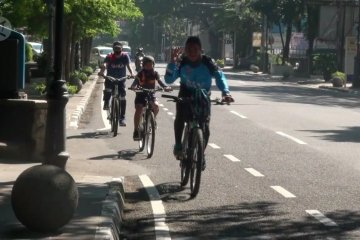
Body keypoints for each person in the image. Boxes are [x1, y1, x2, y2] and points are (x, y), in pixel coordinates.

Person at [164, 36, 234, 170]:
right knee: (180, 118)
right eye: (189, 49)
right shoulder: (181, 62)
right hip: (185, 94)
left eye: (195, 49)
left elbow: (220, 76)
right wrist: (172, 62)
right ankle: (179, 145)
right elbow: (168, 80)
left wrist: (226, 92)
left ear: (201, 50)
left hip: (203, 97)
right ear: (185, 50)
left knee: (205, 128)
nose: (192, 52)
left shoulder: (208, 62)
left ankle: (201, 154)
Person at [130, 55, 172, 140]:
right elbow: (135, 82)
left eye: (151, 64)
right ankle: (136, 130)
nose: (149, 66)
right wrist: (133, 87)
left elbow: (160, 82)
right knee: (139, 109)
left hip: (151, 94)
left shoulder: (155, 74)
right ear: (144, 65)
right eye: (147, 64)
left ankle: (152, 120)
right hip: (141, 94)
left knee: (156, 107)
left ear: (153, 64)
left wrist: (165, 87)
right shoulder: (140, 73)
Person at [98, 41, 134, 126]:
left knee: (122, 98)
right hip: (111, 78)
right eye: (116, 49)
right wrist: (102, 72)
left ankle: (122, 118)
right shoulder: (109, 56)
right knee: (108, 90)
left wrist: (132, 73)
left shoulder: (125, 56)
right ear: (113, 49)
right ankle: (106, 102)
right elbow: (104, 65)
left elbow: (129, 66)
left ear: (122, 49)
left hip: (121, 79)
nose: (118, 52)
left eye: (119, 49)